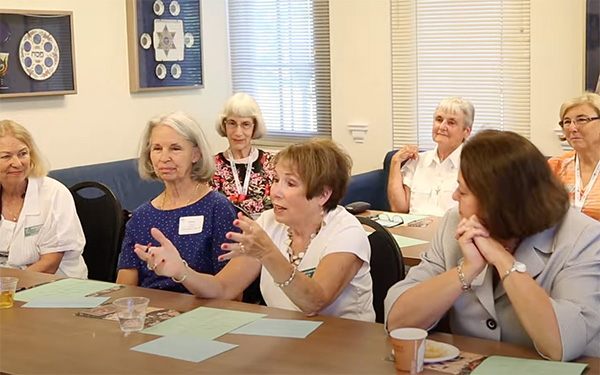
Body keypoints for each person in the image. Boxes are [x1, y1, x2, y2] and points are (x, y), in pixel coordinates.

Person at [385, 130, 600, 361]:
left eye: (463, 191)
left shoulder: (582, 236)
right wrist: (467, 270)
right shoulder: (454, 223)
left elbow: (565, 344)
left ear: (499, 203)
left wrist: (502, 259)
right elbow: (398, 320)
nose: (455, 196)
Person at [133, 139, 375, 322]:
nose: (275, 191)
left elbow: (314, 302)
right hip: (284, 344)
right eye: (276, 180)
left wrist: (268, 253)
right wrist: (181, 270)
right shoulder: (269, 222)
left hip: (343, 347)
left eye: (290, 183)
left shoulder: (346, 231)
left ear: (323, 194)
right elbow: (223, 288)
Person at [116, 112, 238, 293]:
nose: (164, 158)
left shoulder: (218, 208)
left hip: (203, 309)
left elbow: (232, 291)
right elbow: (125, 288)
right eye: (157, 149)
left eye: (175, 148)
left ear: (195, 154)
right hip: (152, 309)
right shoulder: (141, 216)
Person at [0, 120, 87, 278]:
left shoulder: (54, 194)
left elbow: (50, 264)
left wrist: (8, 285)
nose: (17, 163)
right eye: (6, 157)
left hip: (56, 285)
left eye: (22, 154)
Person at [387, 97, 474, 216]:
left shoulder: (472, 165)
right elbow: (399, 208)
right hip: (413, 231)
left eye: (451, 122)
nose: (442, 127)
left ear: (466, 131)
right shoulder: (417, 160)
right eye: (439, 120)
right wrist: (395, 162)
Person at [211, 93, 275, 216]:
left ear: (254, 127)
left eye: (245, 124)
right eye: (232, 123)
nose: (238, 132)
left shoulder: (272, 164)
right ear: (224, 125)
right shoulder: (211, 167)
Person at [548, 92, 600, 221]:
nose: (572, 128)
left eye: (581, 120)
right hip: (562, 239)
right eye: (567, 122)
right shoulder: (556, 166)